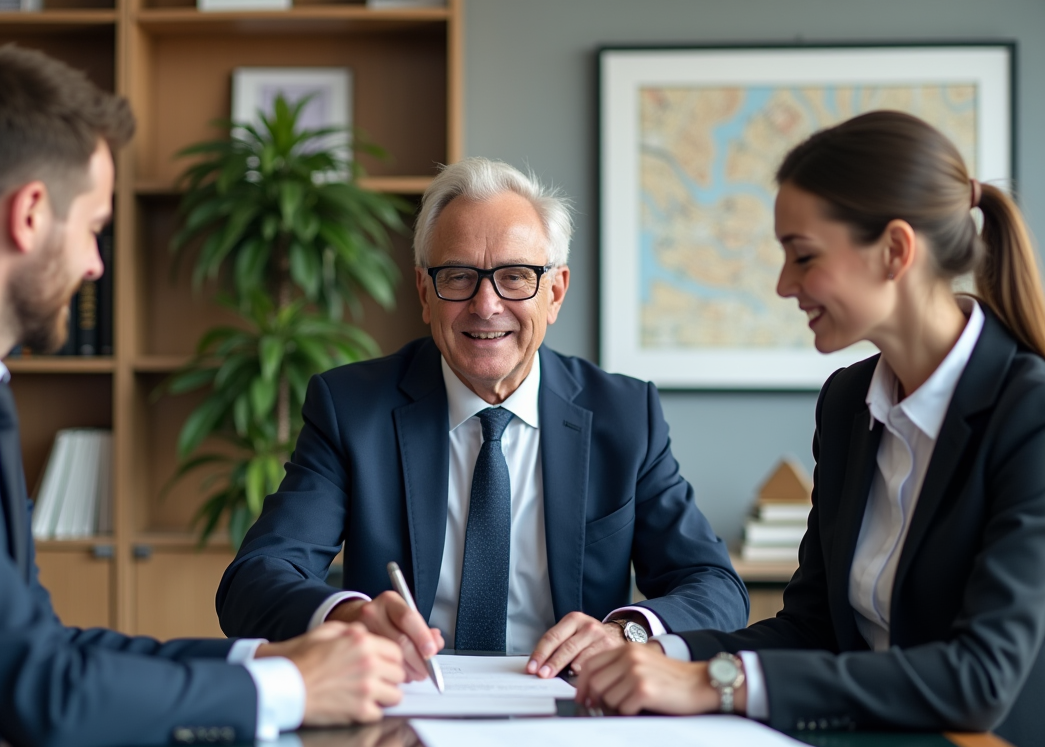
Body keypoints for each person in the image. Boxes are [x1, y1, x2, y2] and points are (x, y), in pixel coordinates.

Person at [0, 44, 405, 747]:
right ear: (31, 214)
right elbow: (43, 690)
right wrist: (294, 691)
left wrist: (267, 662)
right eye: (95, 228)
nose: (96, 265)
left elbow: (42, 647)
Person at [574, 110, 1045, 747]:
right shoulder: (848, 404)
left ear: (895, 251)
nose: (784, 284)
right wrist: (656, 654)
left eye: (804, 256)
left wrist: (717, 683)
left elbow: (978, 678)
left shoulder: (1030, 414)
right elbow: (815, 626)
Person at [217, 157, 748, 682]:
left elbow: (714, 586)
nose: (486, 304)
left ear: (555, 292)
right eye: (458, 276)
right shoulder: (352, 408)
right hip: (407, 707)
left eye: (516, 277)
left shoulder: (624, 415)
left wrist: (628, 631)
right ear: (425, 293)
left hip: (573, 710)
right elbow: (255, 581)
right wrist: (350, 618)